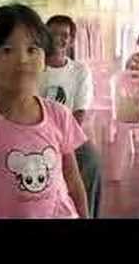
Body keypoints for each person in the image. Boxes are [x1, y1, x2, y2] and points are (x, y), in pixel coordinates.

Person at [0, 4, 88, 218]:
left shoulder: (59, 115)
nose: (22, 59)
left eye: (32, 49)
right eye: (7, 50)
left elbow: (74, 180)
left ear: (44, 59)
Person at [39, 14, 101, 218]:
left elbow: (79, 113)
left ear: (72, 40)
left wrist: (62, 141)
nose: (59, 38)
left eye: (64, 35)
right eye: (53, 34)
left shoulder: (80, 71)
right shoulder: (35, 68)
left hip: (70, 134)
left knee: (92, 160)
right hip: (36, 133)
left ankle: (87, 214)